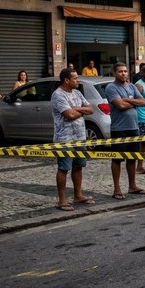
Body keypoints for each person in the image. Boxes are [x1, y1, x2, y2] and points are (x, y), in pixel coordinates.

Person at [51, 68, 94, 211]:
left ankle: (78, 195)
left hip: (80, 136)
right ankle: (62, 200)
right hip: (64, 138)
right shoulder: (58, 95)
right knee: (64, 168)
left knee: (78, 166)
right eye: (75, 78)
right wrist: (80, 111)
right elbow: (69, 115)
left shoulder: (77, 93)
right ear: (66, 80)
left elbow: (90, 109)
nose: (78, 80)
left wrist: (77, 109)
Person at [105, 62, 145, 199]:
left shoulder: (131, 86)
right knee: (117, 159)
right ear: (114, 73)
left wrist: (127, 100)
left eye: (125, 71)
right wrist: (130, 101)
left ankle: (132, 186)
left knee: (132, 158)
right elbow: (120, 106)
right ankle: (117, 188)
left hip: (134, 128)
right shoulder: (111, 87)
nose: (123, 73)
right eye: (120, 71)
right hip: (119, 129)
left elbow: (143, 102)